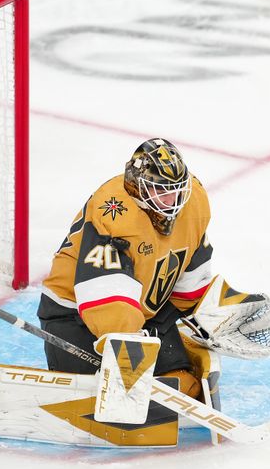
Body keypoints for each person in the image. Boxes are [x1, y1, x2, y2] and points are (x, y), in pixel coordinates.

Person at [37, 137, 218, 400]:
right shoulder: (113, 214)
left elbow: (191, 265)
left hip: (145, 314)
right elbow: (104, 289)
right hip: (75, 313)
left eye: (177, 189)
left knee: (182, 388)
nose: (172, 200)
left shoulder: (194, 202)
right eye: (161, 190)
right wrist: (127, 342)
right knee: (99, 395)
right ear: (138, 187)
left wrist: (205, 316)